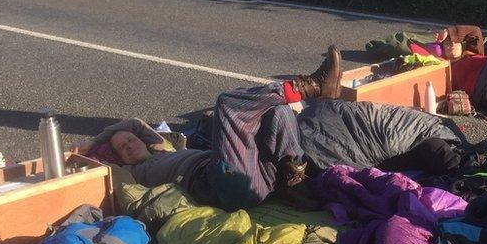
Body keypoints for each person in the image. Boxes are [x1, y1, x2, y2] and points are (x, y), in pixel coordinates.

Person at [74, 46, 344, 211]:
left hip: (258, 175)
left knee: (277, 111)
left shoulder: (163, 147)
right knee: (227, 104)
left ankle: (295, 181)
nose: (128, 146)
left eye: (129, 141)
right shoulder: (132, 175)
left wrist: (105, 135)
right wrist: (85, 151)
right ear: (120, 158)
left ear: (144, 140)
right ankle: (307, 87)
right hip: (221, 186)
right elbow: (103, 168)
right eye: (121, 149)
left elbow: (133, 123)